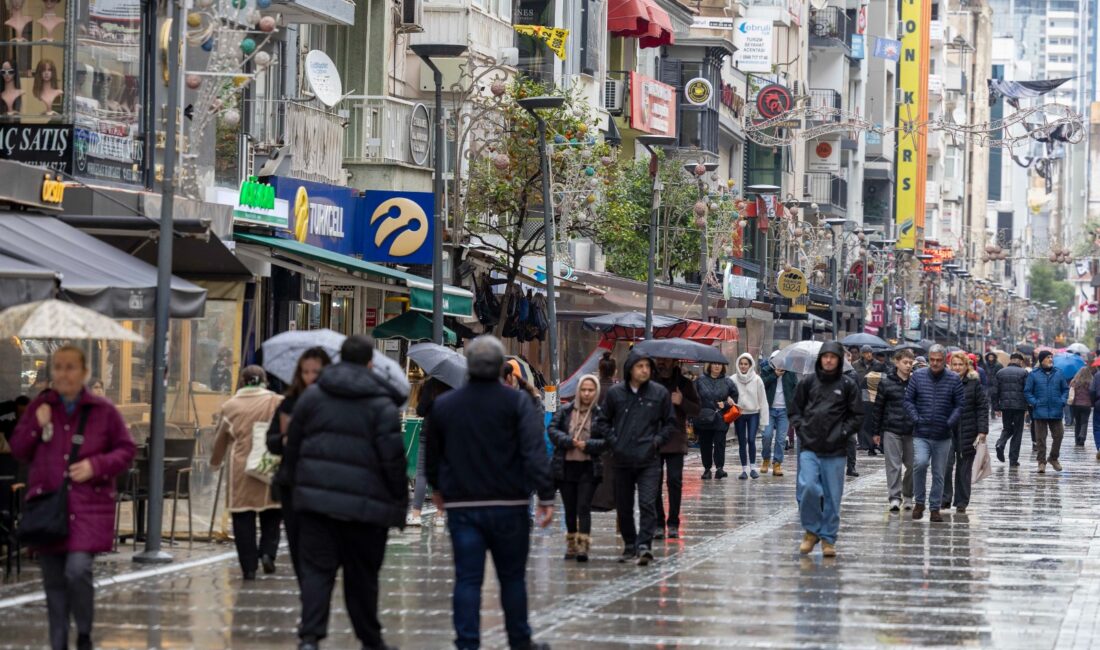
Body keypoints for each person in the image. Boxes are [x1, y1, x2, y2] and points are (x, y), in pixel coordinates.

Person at [426, 336, 553, 650]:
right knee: (512, 578)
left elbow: (432, 454)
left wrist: (438, 489)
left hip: (464, 506)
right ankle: (520, 641)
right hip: (510, 504)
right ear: (501, 368)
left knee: (468, 579)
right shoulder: (518, 403)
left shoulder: (445, 405)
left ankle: (467, 643)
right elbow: (534, 450)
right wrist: (546, 495)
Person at [283, 335, 408, 650]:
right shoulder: (382, 403)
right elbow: (393, 460)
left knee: (316, 572)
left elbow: (293, 447)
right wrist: (400, 503)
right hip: (366, 510)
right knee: (362, 577)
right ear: (370, 363)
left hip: (316, 504)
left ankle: (310, 638)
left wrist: (292, 489)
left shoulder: (312, 397)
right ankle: (370, 639)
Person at [10, 345, 136, 650]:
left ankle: (84, 633)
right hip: (48, 507)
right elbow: (18, 450)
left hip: (87, 507)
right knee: (53, 582)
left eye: (70, 367)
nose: (64, 374)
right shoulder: (42, 407)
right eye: (58, 367)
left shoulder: (103, 411)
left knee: (78, 569)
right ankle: (58, 644)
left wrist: (96, 465)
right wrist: (35, 425)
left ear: (84, 373)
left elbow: (126, 451)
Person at [598, 348, 675, 566]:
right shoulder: (616, 394)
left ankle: (644, 546)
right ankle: (630, 545)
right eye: (640, 366)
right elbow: (602, 421)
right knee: (623, 505)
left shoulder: (659, 393)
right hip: (621, 459)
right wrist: (615, 441)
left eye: (647, 366)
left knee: (648, 502)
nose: (644, 370)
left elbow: (670, 423)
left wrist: (656, 441)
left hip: (649, 459)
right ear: (630, 369)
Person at [211, 366, 285, 580]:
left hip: (241, 469)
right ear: (264, 380)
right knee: (272, 514)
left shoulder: (230, 406)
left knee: (243, 518)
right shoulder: (276, 401)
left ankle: (249, 567)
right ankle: (268, 553)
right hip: (270, 464)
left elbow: (220, 440)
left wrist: (215, 463)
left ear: (242, 381)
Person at [789, 341, 862, 558]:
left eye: (833, 357)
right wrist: (803, 428)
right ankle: (811, 530)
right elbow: (795, 410)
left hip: (836, 450)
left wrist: (843, 432)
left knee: (832, 496)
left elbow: (857, 415)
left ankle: (828, 538)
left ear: (839, 360)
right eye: (825, 356)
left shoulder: (848, 385)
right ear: (820, 358)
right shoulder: (808, 383)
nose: (828, 360)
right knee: (809, 488)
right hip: (810, 447)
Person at [266, 347, 332, 578]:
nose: (310, 376)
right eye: (305, 371)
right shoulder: (289, 402)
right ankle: (309, 588)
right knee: (296, 542)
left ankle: (315, 588)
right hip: (293, 480)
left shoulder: (334, 403)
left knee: (317, 542)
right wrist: (283, 439)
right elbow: (271, 441)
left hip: (323, 482)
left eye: (316, 371)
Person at [547, 374, 606, 562]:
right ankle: (571, 542)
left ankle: (583, 546)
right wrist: (567, 441)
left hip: (589, 468)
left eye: (590, 390)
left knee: (583, 507)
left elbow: (607, 440)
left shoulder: (600, 414)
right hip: (566, 468)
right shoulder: (566, 411)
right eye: (583, 389)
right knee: (570, 508)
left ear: (596, 392)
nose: (587, 393)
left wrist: (589, 445)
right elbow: (552, 430)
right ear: (578, 391)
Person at [904, 344, 963, 523]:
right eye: (932, 360)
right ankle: (919, 502)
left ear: (944, 360)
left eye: (939, 360)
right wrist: (916, 418)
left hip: (943, 434)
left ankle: (934, 507)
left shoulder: (953, 379)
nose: (935, 363)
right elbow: (908, 401)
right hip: (921, 432)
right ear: (929, 359)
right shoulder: (918, 377)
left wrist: (949, 423)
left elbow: (960, 405)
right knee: (920, 464)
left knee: (939, 472)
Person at [653, 357, 699, 539]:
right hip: (654, 439)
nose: (662, 363)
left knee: (674, 481)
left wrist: (681, 401)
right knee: (654, 483)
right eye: (660, 361)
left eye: (666, 360)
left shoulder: (684, 383)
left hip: (675, 439)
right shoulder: (651, 382)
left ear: (674, 362)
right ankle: (658, 523)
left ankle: (673, 522)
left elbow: (697, 409)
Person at [941, 352, 988, 514]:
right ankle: (945, 498)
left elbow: (982, 407)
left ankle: (961, 501)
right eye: (954, 364)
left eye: (960, 364)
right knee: (945, 466)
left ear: (966, 366)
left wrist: (982, 430)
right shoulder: (944, 382)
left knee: (964, 468)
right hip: (947, 430)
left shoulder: (974, 384)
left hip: (968, 430)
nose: (957, 368)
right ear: (950, 366)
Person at [869, 348, 916, 512]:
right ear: (897, 362)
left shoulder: (916, 382)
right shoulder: (886, 382)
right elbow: (878, 408)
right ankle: (895, 497)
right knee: (893, 465)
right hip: (891, 428)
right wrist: (875, 432)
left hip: (912, 430)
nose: (908, 366)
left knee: (913, 465)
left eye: (911, 363)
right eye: (905, 362)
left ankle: (909, 495)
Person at [407, 376, 451, 527]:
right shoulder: (455, 386)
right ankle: (439, 516)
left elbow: (420, 410)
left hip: (429, 432)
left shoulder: (431, 384)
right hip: (448, 434)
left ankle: (416, 514)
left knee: (421, 473)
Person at [1025, 350, 1069, 474]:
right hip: (1040, 410)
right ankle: (1041, 462)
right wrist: (1035, 402)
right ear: (1041, 360)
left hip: (1056, 410)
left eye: (1051, 357)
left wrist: (1062, 401)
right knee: (1040, 439)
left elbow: (1065, 389)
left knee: (1059, 435)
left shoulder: (1058, 373)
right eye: (1048, 357)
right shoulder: (1034, 374)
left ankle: (1053, 458)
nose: (1050, 359)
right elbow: (1027, 391)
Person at [693, 362, 738, 480]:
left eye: (719, 364)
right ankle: (707, 469)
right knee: (705, 444)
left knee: (719, 443)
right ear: (709, 366)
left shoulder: (728, 381)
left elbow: (735, 397)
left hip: (720, 418)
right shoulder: (700, 381)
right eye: (714, 364)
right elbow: (693, 397)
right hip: (705, 417)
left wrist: (726, 404)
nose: (717, 366)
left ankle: (719, 468)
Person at [731, 353, 768, 480]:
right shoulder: (733, 379)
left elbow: (763, 400)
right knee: (742, 441)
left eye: (746, 364)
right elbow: (728, 394)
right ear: (737, 364)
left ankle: (753, 468)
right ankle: (744, 470)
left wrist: (764, 420)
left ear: (750, 365)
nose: (743, 366)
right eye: (741, 363)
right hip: (739, 414)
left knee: (751, 439)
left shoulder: (757, 380)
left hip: (753, 413)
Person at [990, 352, 1030, 466]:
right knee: (1017, 432)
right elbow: (1026, 391)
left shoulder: (1000, 372)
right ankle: (1013, 459)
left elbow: (994, 392)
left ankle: (1000, 444)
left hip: (1005, 406)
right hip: (1019, 407)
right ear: (1020, 361)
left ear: (1011, 360)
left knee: (1007, 428)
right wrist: (1027, 407)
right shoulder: (1024, 373)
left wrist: (996, 407)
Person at [760, 353, 796, 477]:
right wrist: (774, 375)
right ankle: (765, 459)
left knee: (781, 439)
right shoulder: (766, 371)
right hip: (769, 409)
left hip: (784, 410)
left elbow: (795, 389)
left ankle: (777, 463)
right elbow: (761, 385)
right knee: (767, 436)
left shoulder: (791, 373)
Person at [1069, 366, 1094, 446]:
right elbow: (1093, 392)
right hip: (1086, 405)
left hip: (1076, 405)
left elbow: (1070, 390)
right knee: (1084, 422)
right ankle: (1082, 437)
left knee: (1077, 422)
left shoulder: (1074, 381)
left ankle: (1077, 440)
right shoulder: (1091, 382)